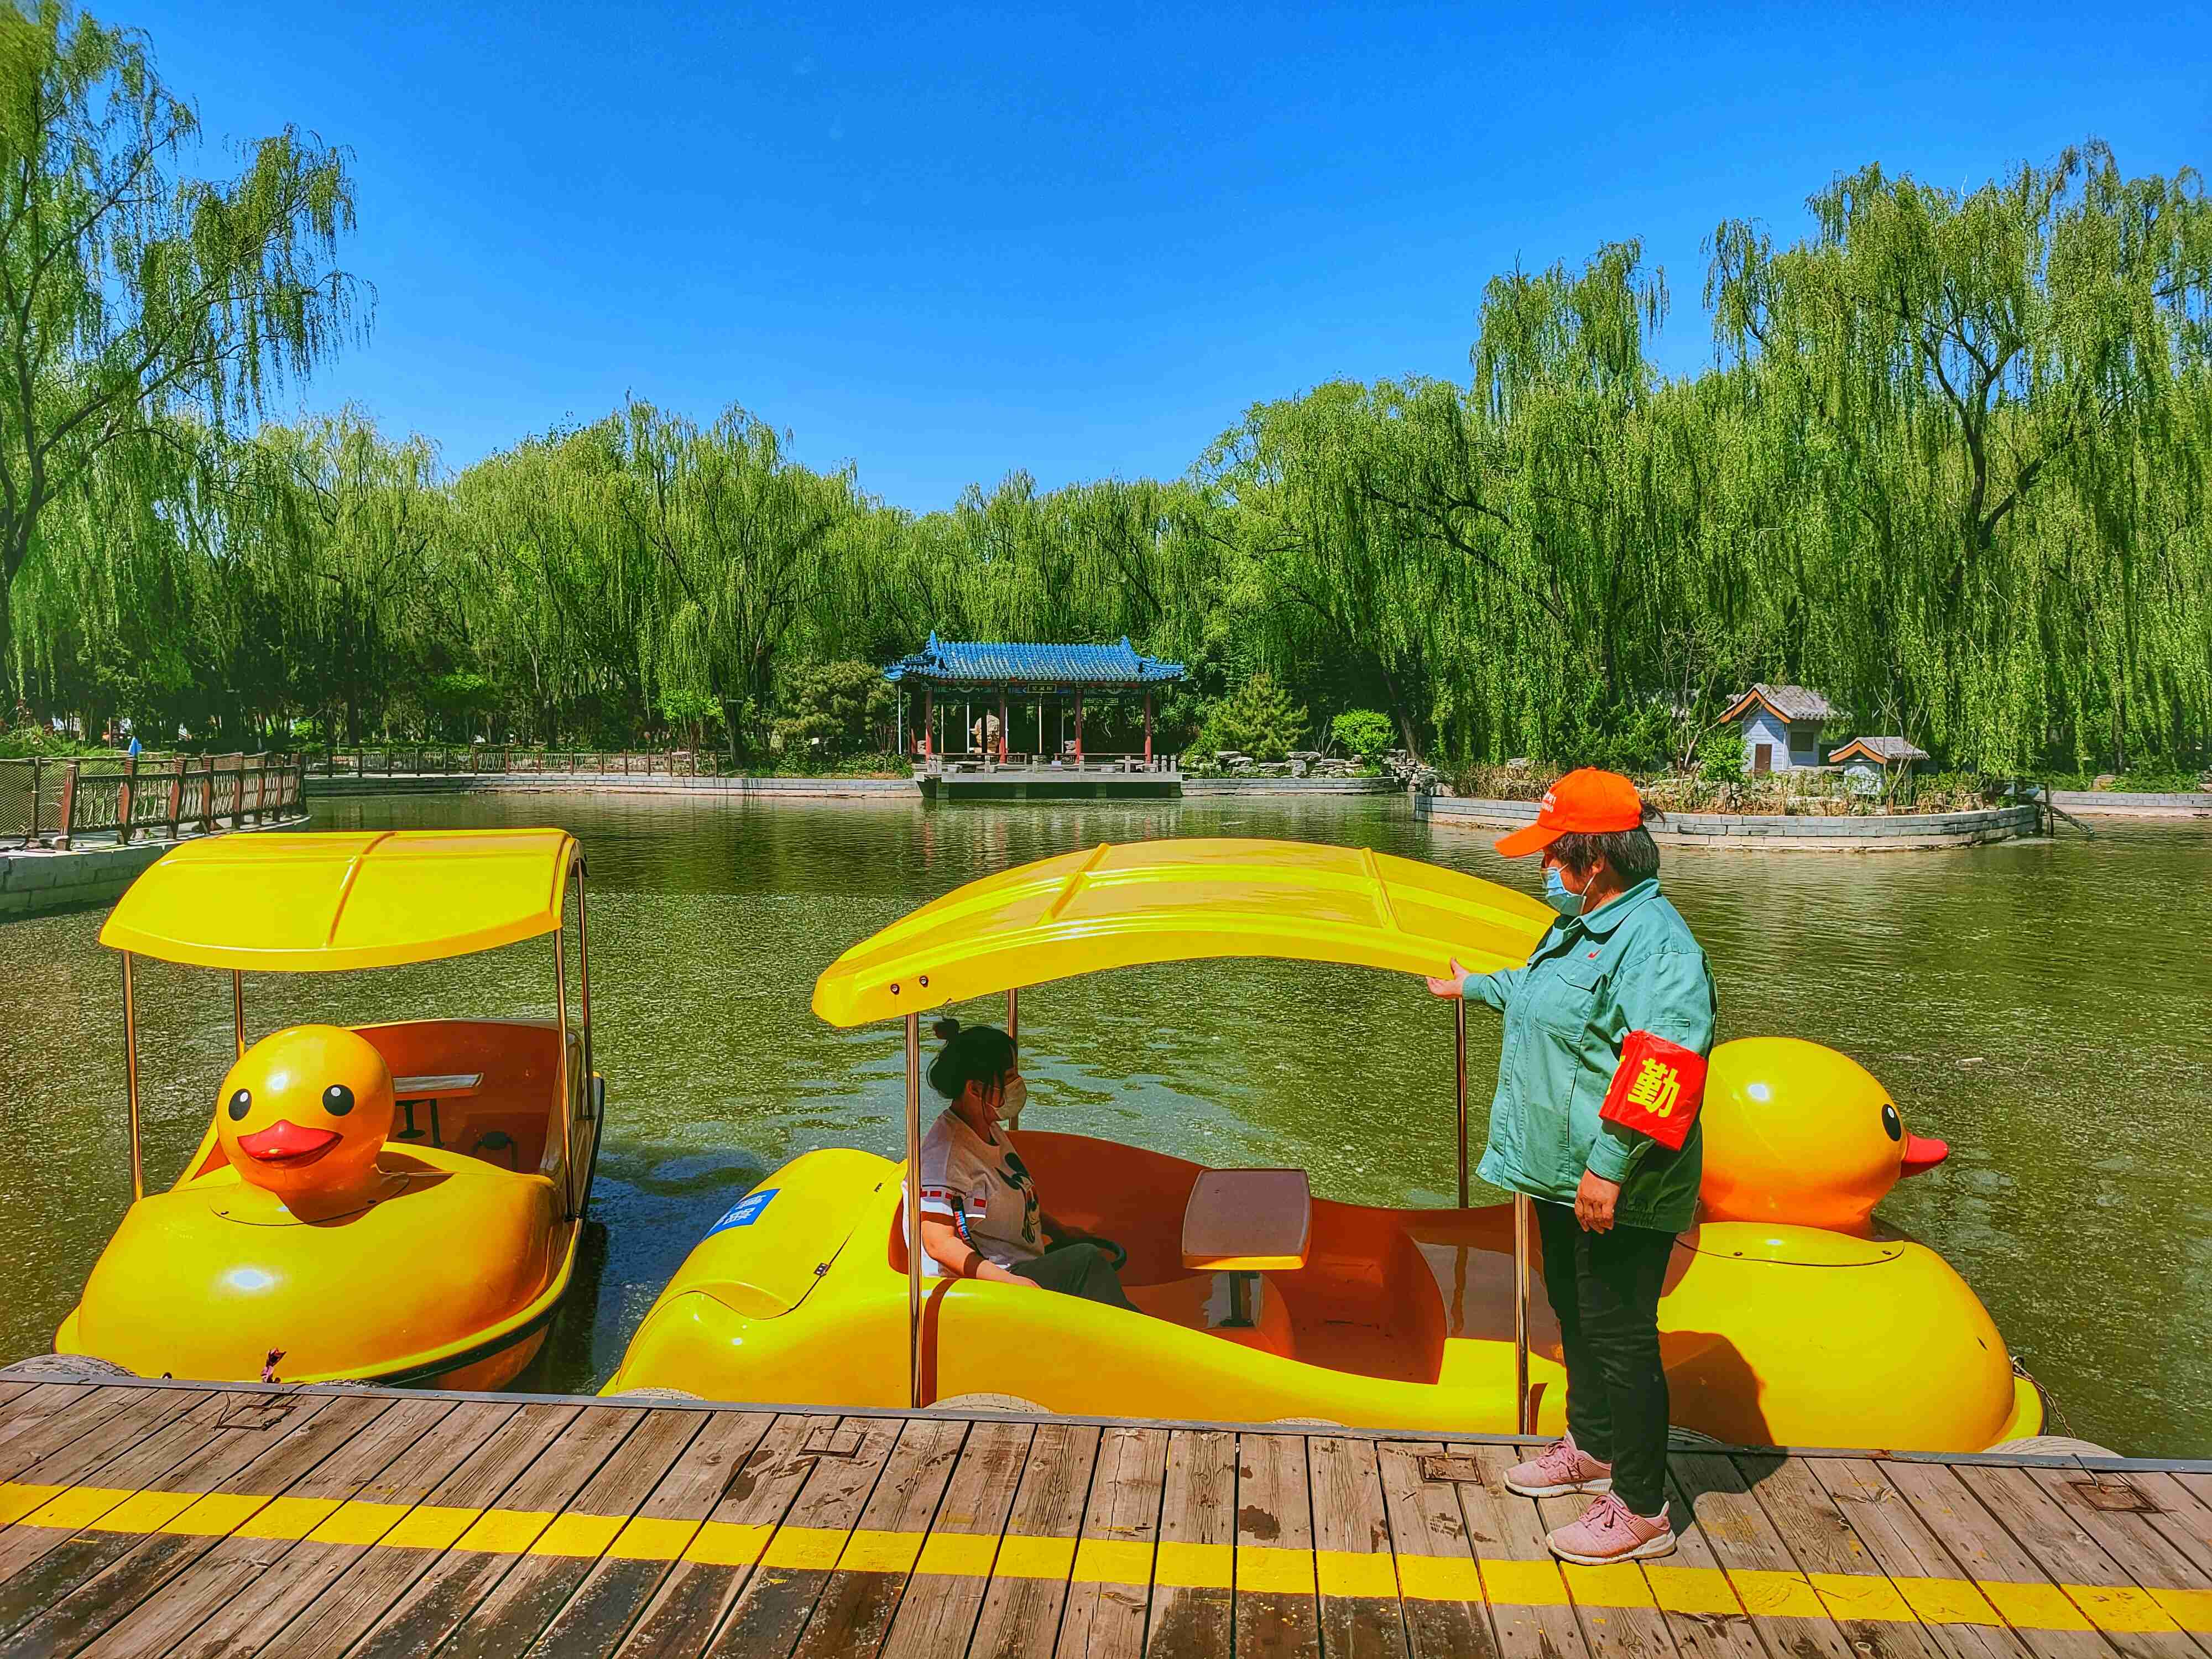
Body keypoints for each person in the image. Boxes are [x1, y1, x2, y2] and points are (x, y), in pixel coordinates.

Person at [1427, 767, 1714, 1566]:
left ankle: (1643, 1507)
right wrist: (1475, 987)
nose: (1545, 869)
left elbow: (1667, 1063)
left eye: (1555, 854)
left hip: (1618, 1184)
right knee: (1574, 1309)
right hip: (1562, 1172)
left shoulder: (1657, 946)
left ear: (1597, 860)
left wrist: (1611, 1168)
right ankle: (1590, 1448)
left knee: (1622, 1334)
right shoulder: (1587, 925)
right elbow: (1546, 992)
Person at [907, 1017, 1135, 1308]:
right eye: (1009, 1077)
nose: (1017, 1085)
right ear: (975, 1089)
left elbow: (1014, 1197)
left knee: (1085, 1255)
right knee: (1085, 1262)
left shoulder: (986, 1127)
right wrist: (1015, 1283)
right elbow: (938, 1242)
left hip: (1021, 1265)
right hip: (989, 1290)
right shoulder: (947, 1154)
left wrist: (1060, 1232)